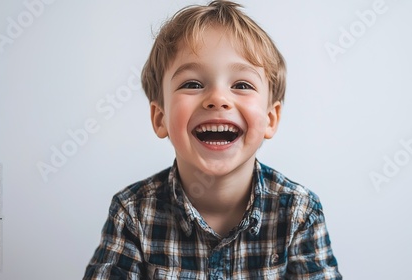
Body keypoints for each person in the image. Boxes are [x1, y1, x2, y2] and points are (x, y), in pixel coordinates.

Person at [83, 1, 341, 279]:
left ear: (270, 118)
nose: (218, 98)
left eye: (242, 85)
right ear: (160, 118)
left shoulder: (299, 213)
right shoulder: (132, 213)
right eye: (192, 84)